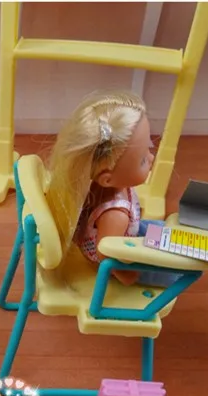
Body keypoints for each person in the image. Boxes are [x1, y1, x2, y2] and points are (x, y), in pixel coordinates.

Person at [46, 89, 181, 288]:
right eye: (142, 160)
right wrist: (127, 275)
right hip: (121, 257)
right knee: (175, 270)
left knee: (170, 233)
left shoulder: (96, 184)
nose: (152, 158)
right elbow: (106, 253)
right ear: (107, 179)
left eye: (148, 148)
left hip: (128, 234)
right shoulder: (116, 215)